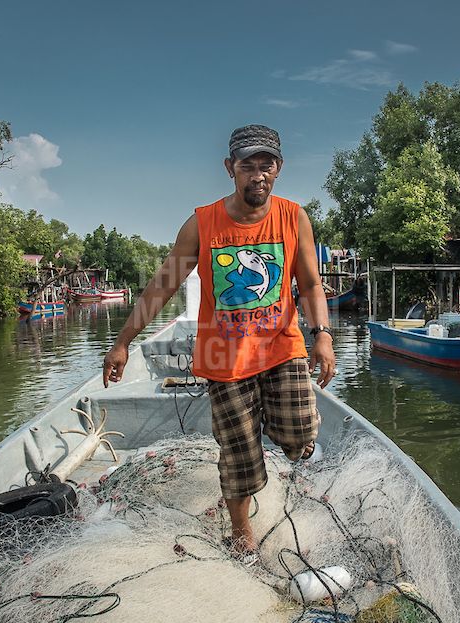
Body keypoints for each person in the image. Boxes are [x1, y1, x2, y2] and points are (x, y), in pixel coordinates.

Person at [102, 124, 335, 561]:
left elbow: (309, 283)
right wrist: (122, 342)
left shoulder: (293, 216)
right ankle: (241, 530)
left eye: (267, 164)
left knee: (300, 433)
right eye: (248, 165)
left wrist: (322, 334)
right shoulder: (202, 223)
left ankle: (280, 438)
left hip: (282, 347)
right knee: (239, 455)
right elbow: (163, 285)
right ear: (230, 169)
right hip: (224, 358)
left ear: (279, 169)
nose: (258, 174)